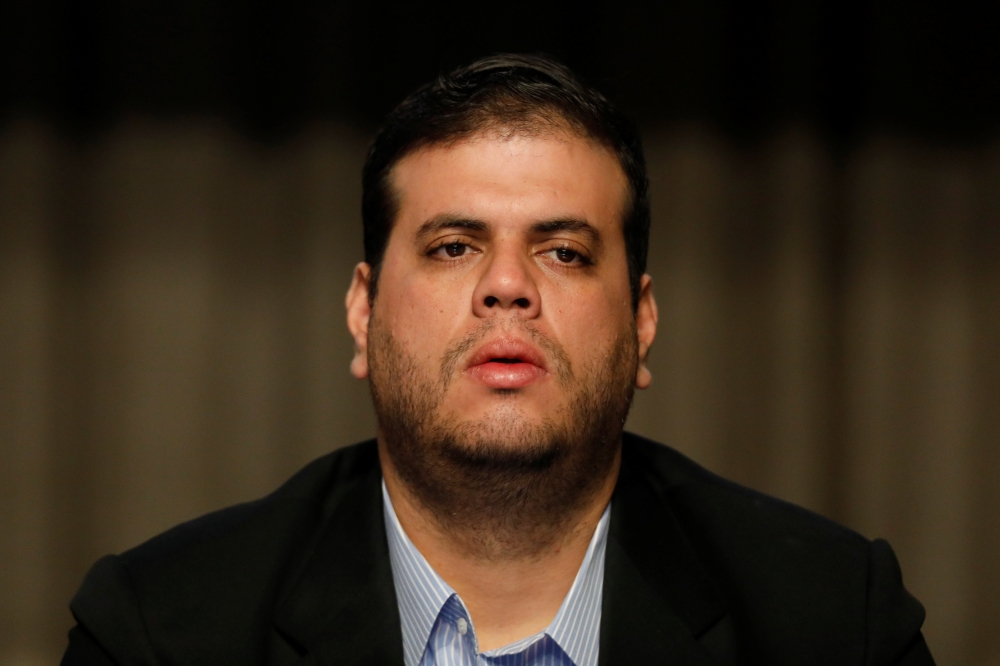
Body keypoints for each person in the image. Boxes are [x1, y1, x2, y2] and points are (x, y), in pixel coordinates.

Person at [62, 54, 934, 666]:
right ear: (363, 314)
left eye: (563, 252)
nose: (507, 286)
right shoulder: (160, 631)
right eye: (451, 247)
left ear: (642, 320)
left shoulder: (834, 624)